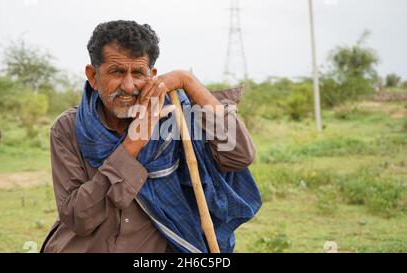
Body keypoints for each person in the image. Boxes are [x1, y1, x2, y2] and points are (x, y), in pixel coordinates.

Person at [41, 20, 261, 253]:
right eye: (116, 72)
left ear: (153, 75)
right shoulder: (69, 127)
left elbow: (239, 156)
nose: (128, 85)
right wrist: (132, 145)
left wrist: (187, 80)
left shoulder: (176, 118)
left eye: (138, 73)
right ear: (93, 76)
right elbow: (78, 216)